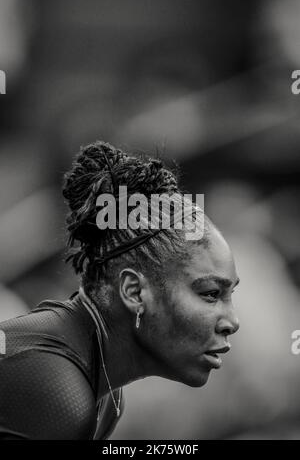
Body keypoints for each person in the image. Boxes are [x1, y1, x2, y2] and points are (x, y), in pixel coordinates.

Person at [0, 141, 239, 440]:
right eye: (210, 294)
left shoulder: (106, 398)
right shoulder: (57, 389)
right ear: (134, 292)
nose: (232, 322)